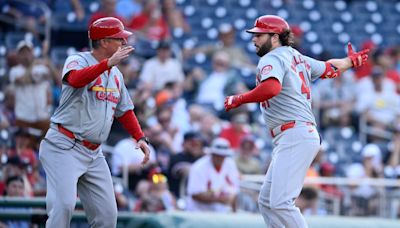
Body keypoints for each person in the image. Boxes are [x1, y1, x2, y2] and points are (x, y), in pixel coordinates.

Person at [224, 15, 370, 227]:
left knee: (281, 202)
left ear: (274, 37)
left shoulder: (272, 58)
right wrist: (349, 62)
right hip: (295, 134)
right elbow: (329, 69)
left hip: (294, 133)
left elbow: (271, 88)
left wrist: (239, 99)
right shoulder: (296, 56)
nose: (254, 39)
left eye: (259, 35)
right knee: (266, 202)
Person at [38, 17, 151, 228]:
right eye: (119, 39)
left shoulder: (115, 74)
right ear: (104, 41)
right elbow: (75, 79)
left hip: (94, 153)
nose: (124, 44)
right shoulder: (78, 59)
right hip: (64, 145)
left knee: (107, 216)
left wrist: (140, 137)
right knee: (63, 206)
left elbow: (124, 110)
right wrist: (107, 63)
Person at [186, 137, 240, 212]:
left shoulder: (230, 164)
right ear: (212, 154)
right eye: (217, 154)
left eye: (223, 155)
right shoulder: (199, 167)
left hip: (220, 214)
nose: (220, 157)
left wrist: (234, 211)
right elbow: (195, 194)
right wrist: (219, 199)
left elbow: (234, 189)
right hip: (198, 213)